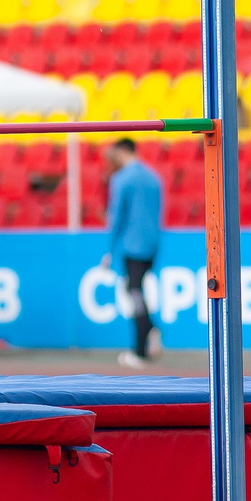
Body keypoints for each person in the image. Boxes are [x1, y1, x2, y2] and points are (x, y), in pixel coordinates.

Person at [101, 139, 164, 368]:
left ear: (122, 151)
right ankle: (149, 331)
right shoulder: (153, 177)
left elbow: (116, 217)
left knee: (134, 292)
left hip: (131, 244)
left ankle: (141, 349)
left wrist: (109, 250)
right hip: (152, 244)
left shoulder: (122, 179)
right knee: (136, 290)